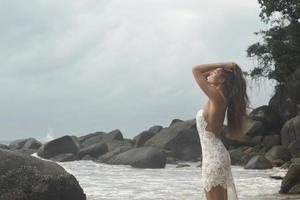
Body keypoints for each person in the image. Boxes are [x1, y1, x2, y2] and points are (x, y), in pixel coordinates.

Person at [192, 62, 250, 200]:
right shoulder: (217, 98)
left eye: (214, 72)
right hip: (213, 157)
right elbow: (203, 74)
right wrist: (222, 71)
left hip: (214, 159)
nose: (210, 73)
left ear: (222, 80)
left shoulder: (218, 98)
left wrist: (226, 64)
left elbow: (196, 70)